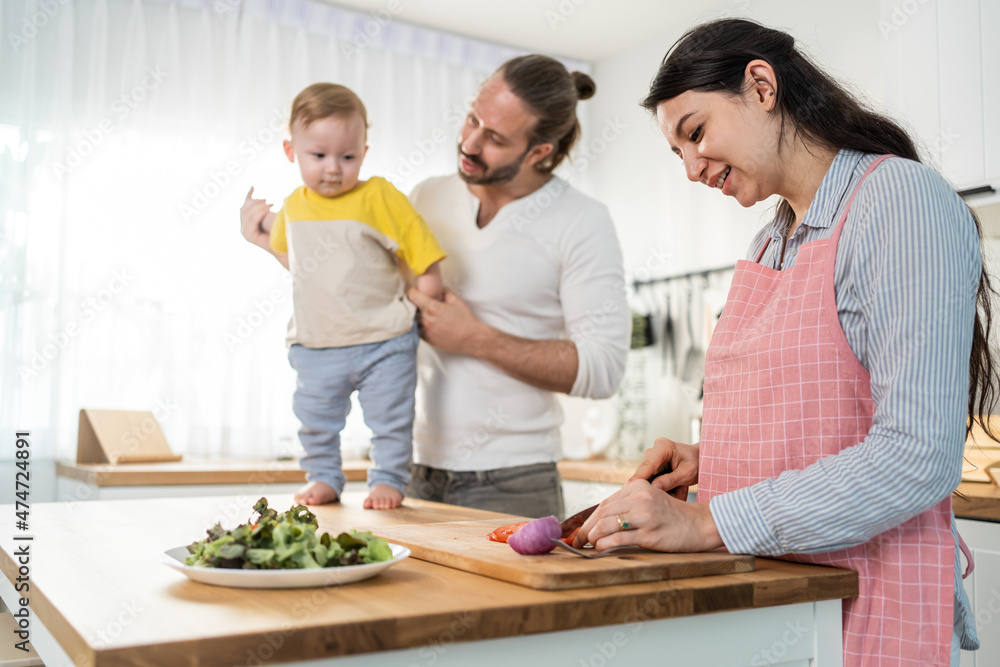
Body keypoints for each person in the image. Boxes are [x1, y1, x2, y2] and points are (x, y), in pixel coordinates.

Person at [573, 19, 998, 666]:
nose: (691, 168)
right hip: (782, 607)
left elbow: (916, 456)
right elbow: (820, 415)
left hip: (871, 606)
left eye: (696, 132)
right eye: (677, 153)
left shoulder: (899, 200)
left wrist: (705, 522)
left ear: (762, 85)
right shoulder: (771, 241)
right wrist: (709, 459)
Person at [404, 55, 631, 519]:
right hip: (409, 468)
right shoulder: (426, 196)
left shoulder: (581, 221)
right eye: (472, 118)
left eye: (494, 138)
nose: (469, 142)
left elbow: (603, 368)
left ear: (539, 152)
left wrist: (475, 338)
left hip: (513, 481)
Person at [240, 83, 446, 510]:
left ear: (364, 153)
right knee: (315, 423)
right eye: (318, 156)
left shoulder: (379, 197)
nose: (333, 168)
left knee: (390, 421)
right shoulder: (294, 207)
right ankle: (324, 478)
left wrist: (431, 303)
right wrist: (258, 238)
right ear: (290, 151)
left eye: (347, 157)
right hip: (317, 344)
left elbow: (422, 252)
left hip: (384, 339)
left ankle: (388, 479)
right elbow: (295, 261)